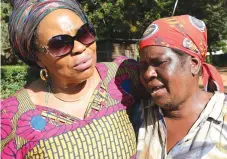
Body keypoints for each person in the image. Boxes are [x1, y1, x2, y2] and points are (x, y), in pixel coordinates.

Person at [1, 0, 141, 158]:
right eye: (60, 44)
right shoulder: (12, 116)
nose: (80, 48)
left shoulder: (122, 75)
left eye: (84, 33)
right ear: (37, 57)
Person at [136, 15, 227, 159]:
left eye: (159, 62)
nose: (148, 74)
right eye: (142, 66)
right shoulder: (138, 116)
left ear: (194, 64)